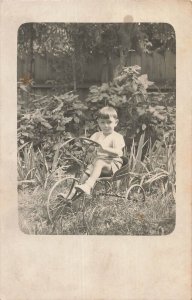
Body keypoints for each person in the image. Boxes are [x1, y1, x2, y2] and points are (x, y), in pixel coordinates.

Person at [75, 106, 125, 195]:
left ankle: (88, 185)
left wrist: (104, 149)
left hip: (112, 164)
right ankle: (71, 194)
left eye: (109, 122)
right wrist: (87, 145)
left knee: (99, 162)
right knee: (86, 172)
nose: (106, 125)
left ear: (116, 123)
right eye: (102, 122)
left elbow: (118, 152)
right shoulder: (96, 135)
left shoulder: (117, 137)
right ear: (98, 123)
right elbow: (91, 149)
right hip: (97, 163)